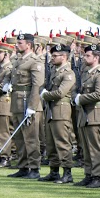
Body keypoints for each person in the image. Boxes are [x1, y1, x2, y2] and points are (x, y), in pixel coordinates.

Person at [8, 33, 45, 179]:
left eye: (20, 43)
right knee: (19, 137)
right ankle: (23, 166)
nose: (17, 45)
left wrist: (32, 106)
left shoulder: (34, 61)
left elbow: (37, 85)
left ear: (29, 45)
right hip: (17, 101)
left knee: (31, 138)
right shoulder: (18, 61)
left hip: (27, 102)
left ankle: (34, 168)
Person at [39, 42, 76, 185]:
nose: (52, 58)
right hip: (51, 109)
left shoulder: (68, 73)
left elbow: (61, 92)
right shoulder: (54, 71)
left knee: (62, 142)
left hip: (61, 110)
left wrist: (45, 94)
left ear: (64, 56)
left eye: (55, 56)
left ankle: (67, 172)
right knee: (51, 143)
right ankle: (54, 171)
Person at [74, 43, 100, 188]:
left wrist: (81, 98)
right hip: (85, 113)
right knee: (86, 147)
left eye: (88, 55)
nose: (84, 57)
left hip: (95, 113)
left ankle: (97, 177)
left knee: (95, 147)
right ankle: (89, 174)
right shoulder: (86, 73)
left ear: (96, 58)